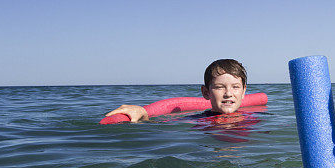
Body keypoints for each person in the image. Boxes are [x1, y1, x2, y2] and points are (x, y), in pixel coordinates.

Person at [105, 59, 248, 122]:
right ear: (206, 92)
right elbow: (162, 128)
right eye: (219, 87)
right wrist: (143, 115)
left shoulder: (254, 119)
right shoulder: (199, 121)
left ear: (243, 92)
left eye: (235, 87)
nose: (228, 93)